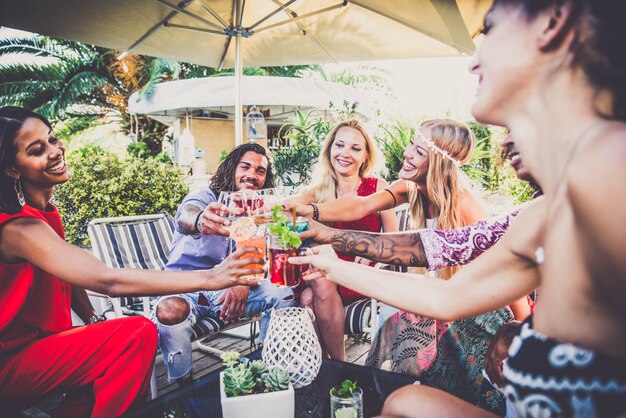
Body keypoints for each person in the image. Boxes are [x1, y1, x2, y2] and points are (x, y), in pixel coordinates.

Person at [292, 0, 626, 416]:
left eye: (489, 29)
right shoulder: (544, 211)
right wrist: (332, 257)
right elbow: (447, 281)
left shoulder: (610, 172)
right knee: (403, 401)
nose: (473, 63)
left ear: (554, 22)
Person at [0, 107, 264, 418]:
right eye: (37, 149)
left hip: (43, 346)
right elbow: (106, 280)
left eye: (52, 138)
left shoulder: (44, 213)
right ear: (12, 170)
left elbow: (65, 276)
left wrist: (91, 318)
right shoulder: (19, 228)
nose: (56, 151)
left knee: (109, 351)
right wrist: (214, 277)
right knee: (135, 334)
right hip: (12, 362)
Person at [153, 142, 296, 383]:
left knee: (285, 294)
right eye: (245, 167)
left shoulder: (259, 209)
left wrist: (243, 282)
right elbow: (185, 215)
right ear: (232, 168)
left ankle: (267, 369)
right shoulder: (206, 197)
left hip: (230, 292)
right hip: (188, 289)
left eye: (260, 171)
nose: (251, 175)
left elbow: (261, 257)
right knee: (169, 310)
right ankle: (181, 386)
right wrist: (199, 220)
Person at [282, 119, 398, 360]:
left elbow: (393, 240)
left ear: (366, 156)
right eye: (340, 145)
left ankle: (335, 365)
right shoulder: (316, 192)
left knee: (313, 290)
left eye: (355, 148)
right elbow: (286, 208)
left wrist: (373, 258)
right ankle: (330, 365)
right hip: (323, 273)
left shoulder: (377, 189)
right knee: (310, 292)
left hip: (361, 272)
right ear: (330, 150)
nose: (345, 154)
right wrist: (260, 207)